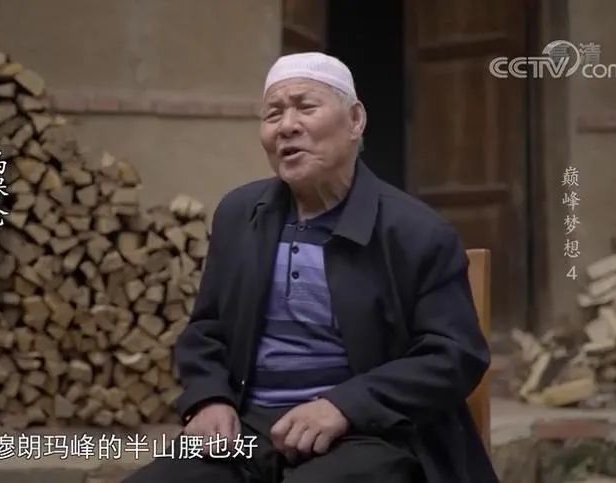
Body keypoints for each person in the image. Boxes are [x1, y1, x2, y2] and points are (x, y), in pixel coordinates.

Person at [124, 52, 498, 483]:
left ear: (355, 120)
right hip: (248, 428)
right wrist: (209, 398)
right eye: (273, 114)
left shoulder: (417, 232)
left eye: (306, 107)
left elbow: (453, 355)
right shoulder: (240, 215)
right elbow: (206, 330)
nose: (287, 126)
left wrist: (345, 405)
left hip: (372, 432)